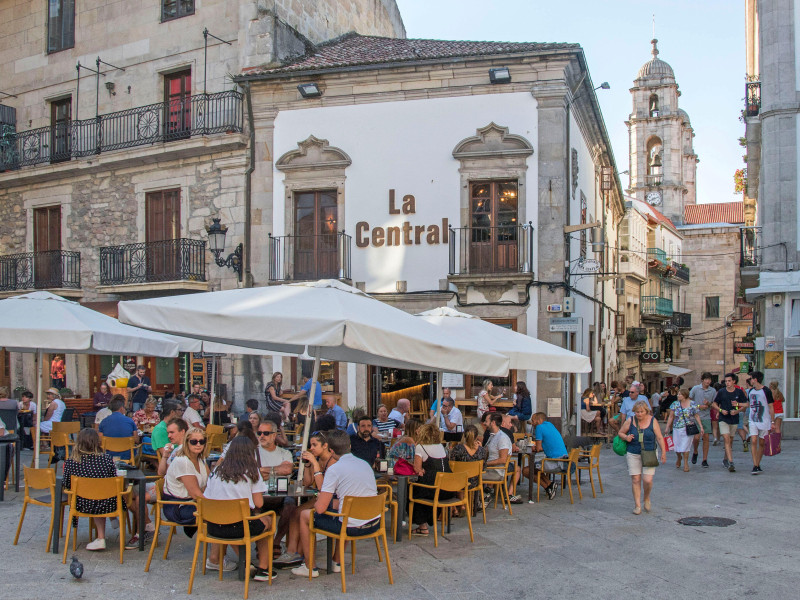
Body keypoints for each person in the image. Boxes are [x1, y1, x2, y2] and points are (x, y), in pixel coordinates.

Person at [292, 430, 379, 577]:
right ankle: (336, 562)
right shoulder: (365, 464)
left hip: (351, 527)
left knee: (305, 515)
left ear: (331, 450)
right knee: (342, 510)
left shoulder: (335, 469)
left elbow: (319, 509)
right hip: (374, 523)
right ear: (349, 445)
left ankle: (310, 567)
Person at [204, 436, 276, 581]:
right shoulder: (251, 471)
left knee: (232, 519)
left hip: (214, 528)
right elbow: (259, 503)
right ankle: (264, 569)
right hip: (239, 527)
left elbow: (207, 497)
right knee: (267, 520)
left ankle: (247, 563)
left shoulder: (217, 470)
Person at [276, 430, 337, 568]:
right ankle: (294, 552)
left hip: (332, 500)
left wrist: (315, 464)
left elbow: (324, 488)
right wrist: (308, 464)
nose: (312, 448)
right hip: (319, 498)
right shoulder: (317, 459)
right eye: (311, 445)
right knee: (294, 512)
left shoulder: (332, 462)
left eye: (315, 445)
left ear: (325, 445)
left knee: (298, 513)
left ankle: (294, 552)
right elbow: (307, 482)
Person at [62, 428, 121, 551]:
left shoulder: (71, 462)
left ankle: (100, 539)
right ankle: (102, 534)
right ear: (97, 442)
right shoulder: (106, 459)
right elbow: (112, 480)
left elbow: (67, 484)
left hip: (80, 504)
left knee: (94, 495)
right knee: (103, 494)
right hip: (106, 504)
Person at [163, 427, 212, 545]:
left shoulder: (201, 459)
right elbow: (196, 494)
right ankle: (216, 558)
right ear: (186, 442)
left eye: (202, 441)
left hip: (191, 503)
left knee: (227, 514)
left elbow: (210, 483)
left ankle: (219, 556)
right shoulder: (183, 462)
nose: (198, 444)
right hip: (177, 506)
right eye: (194, 441)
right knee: (221, 516)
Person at [618, 400, 667, 515]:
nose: (639, 414)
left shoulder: (652, 421)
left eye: (641, 412)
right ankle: (637, 505)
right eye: (637, 412)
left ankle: (647, 497)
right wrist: (626, 437)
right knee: (635, 479)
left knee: (648, 480)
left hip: (649, 452)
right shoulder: (630, 420)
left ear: (646, 411)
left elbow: (659, 437)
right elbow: (620, 432)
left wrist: (663, 452)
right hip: (633, 452)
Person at [408, 423, 453, 537]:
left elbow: (417, 469)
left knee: (411, 491)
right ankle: (428, 520)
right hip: (448, 488)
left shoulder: (420, 447)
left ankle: (422, 526)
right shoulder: (441, 446)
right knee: (421, 489)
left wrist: (420, 468)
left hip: (434, 489)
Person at [522, 412, 568, 500]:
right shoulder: (549, 424)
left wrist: (532, 446)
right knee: (535, 468)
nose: (532, 423)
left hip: (556, 462)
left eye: (533, 420)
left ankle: (548, 486)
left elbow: (538, 448)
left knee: (526, 470)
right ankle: (550, 485)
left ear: (539, 420)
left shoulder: (539, 427)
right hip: (564, 460)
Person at [712, 373, 748, 473]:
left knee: (730, 441)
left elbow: (746, 404)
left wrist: (737, 410)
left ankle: (725, 459)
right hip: (723, 418)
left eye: (729, 381)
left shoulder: (739, 392)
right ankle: (731, 462)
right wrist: (720, 410)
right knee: (726, 439)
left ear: (734, 381)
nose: (727, 383)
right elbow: (714, 403)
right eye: (726, 381)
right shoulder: (721, 392)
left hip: (734, 418)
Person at [448, 424, 488, 515]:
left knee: (453, 478)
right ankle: (463, 504)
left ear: (464, 435)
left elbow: (451, 465)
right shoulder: (482, 451)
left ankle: (458, 505)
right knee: (463, 478)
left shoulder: (458, 449)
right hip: (474, 482)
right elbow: (484, 467)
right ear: (477, 436)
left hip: (459, 482)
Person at [483, 413, 521, 504]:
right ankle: (483, 495)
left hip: (496, 471)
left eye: (486, 421)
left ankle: (482, 497)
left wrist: (485, 464)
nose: (484, 423)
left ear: (493, 422)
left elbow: (503, 459)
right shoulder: (492, 435)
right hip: (490, 469)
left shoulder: (502, 438)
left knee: (469, 477)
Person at [665, 389, 703, 472]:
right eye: (678, 394)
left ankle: (686, 462)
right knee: (677, 445)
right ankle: (679, 457)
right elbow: (671, 416)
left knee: (686, 445)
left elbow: (696, 415)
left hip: (689, 427)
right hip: (677, 427)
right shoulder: (675, 404)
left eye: (680, 394)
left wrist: (701, 426)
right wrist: (667, 427)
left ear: (685, 395)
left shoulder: (692, 404)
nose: (678, 395)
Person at [747, 371, 775, 475]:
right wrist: (737, 406)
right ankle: (755, 465)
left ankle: (757, 464)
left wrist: (772, 421)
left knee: (762, 443)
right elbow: (748, 404)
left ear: (755, 379)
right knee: (754, 440)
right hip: (753, 419)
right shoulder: (751, 391)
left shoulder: (766, 391)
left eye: (751, 378)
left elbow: (771, 406)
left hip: (764, 420)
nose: (750, 380)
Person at [689, 372, 716, 468]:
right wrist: (698, 406)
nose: (708, 381)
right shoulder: (695, 389)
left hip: (706, 417)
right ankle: (695, 451)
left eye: (709, 379)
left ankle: (705, 459)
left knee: (706, 438)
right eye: (706, 379)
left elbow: (714, 404)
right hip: (696, 416)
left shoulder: (712, 391)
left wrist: (708, 404)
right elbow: (689, 401)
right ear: (702, 380)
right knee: (696, 438)